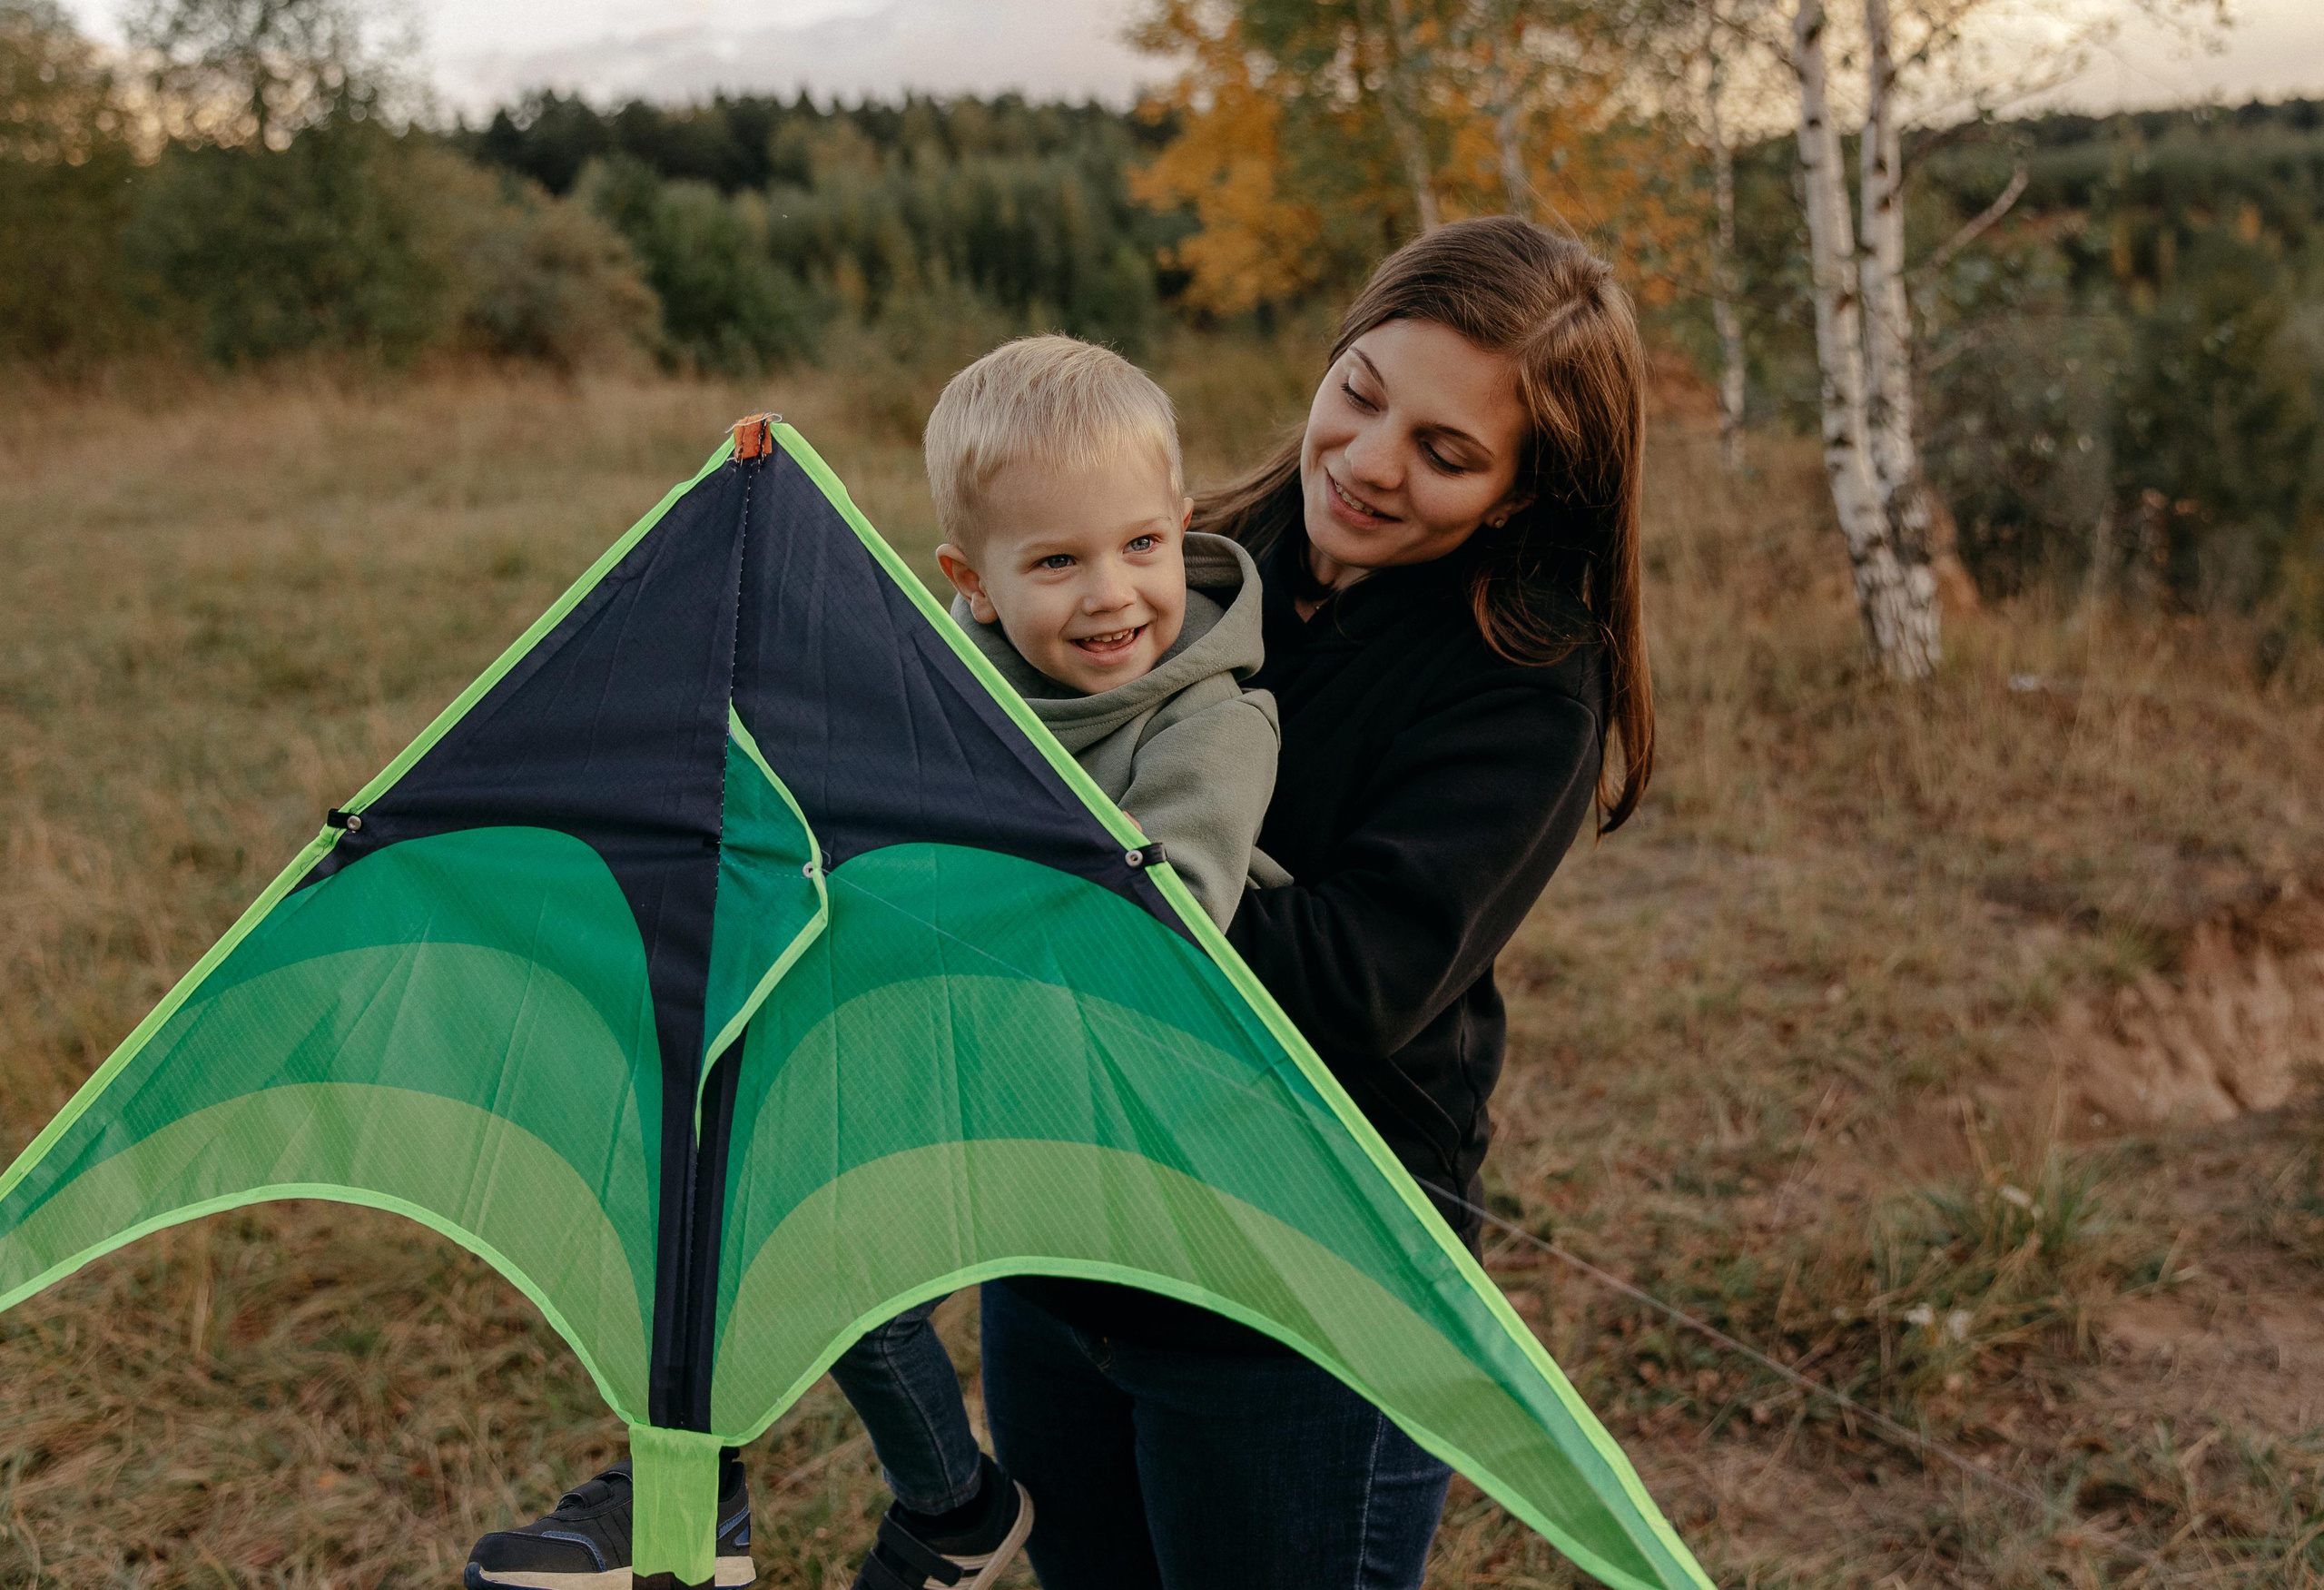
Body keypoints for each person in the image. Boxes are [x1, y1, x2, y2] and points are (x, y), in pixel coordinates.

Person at [463, 334, 1285, 1590]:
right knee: (729, 1154)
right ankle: (717, 1485)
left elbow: (1162, 924)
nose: (1111, 593)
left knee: (840, 1249)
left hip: (1107, 1087)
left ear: (1182, 528)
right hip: (943, 1036)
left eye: (1139, 545)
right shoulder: (938, 681)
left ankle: (934, 1507)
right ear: (972, 580)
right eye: (1056, 562)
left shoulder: (1211, 723)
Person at [976, 215, 1657, 1590]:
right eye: (1361, 392)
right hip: (1063, 1236)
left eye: (1446, 452)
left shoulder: (1525, 681)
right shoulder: (1179, 557)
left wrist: (1045, 884)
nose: (1368, 460)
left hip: (1297, 1297)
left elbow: (1356, 975)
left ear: (1519, 495)